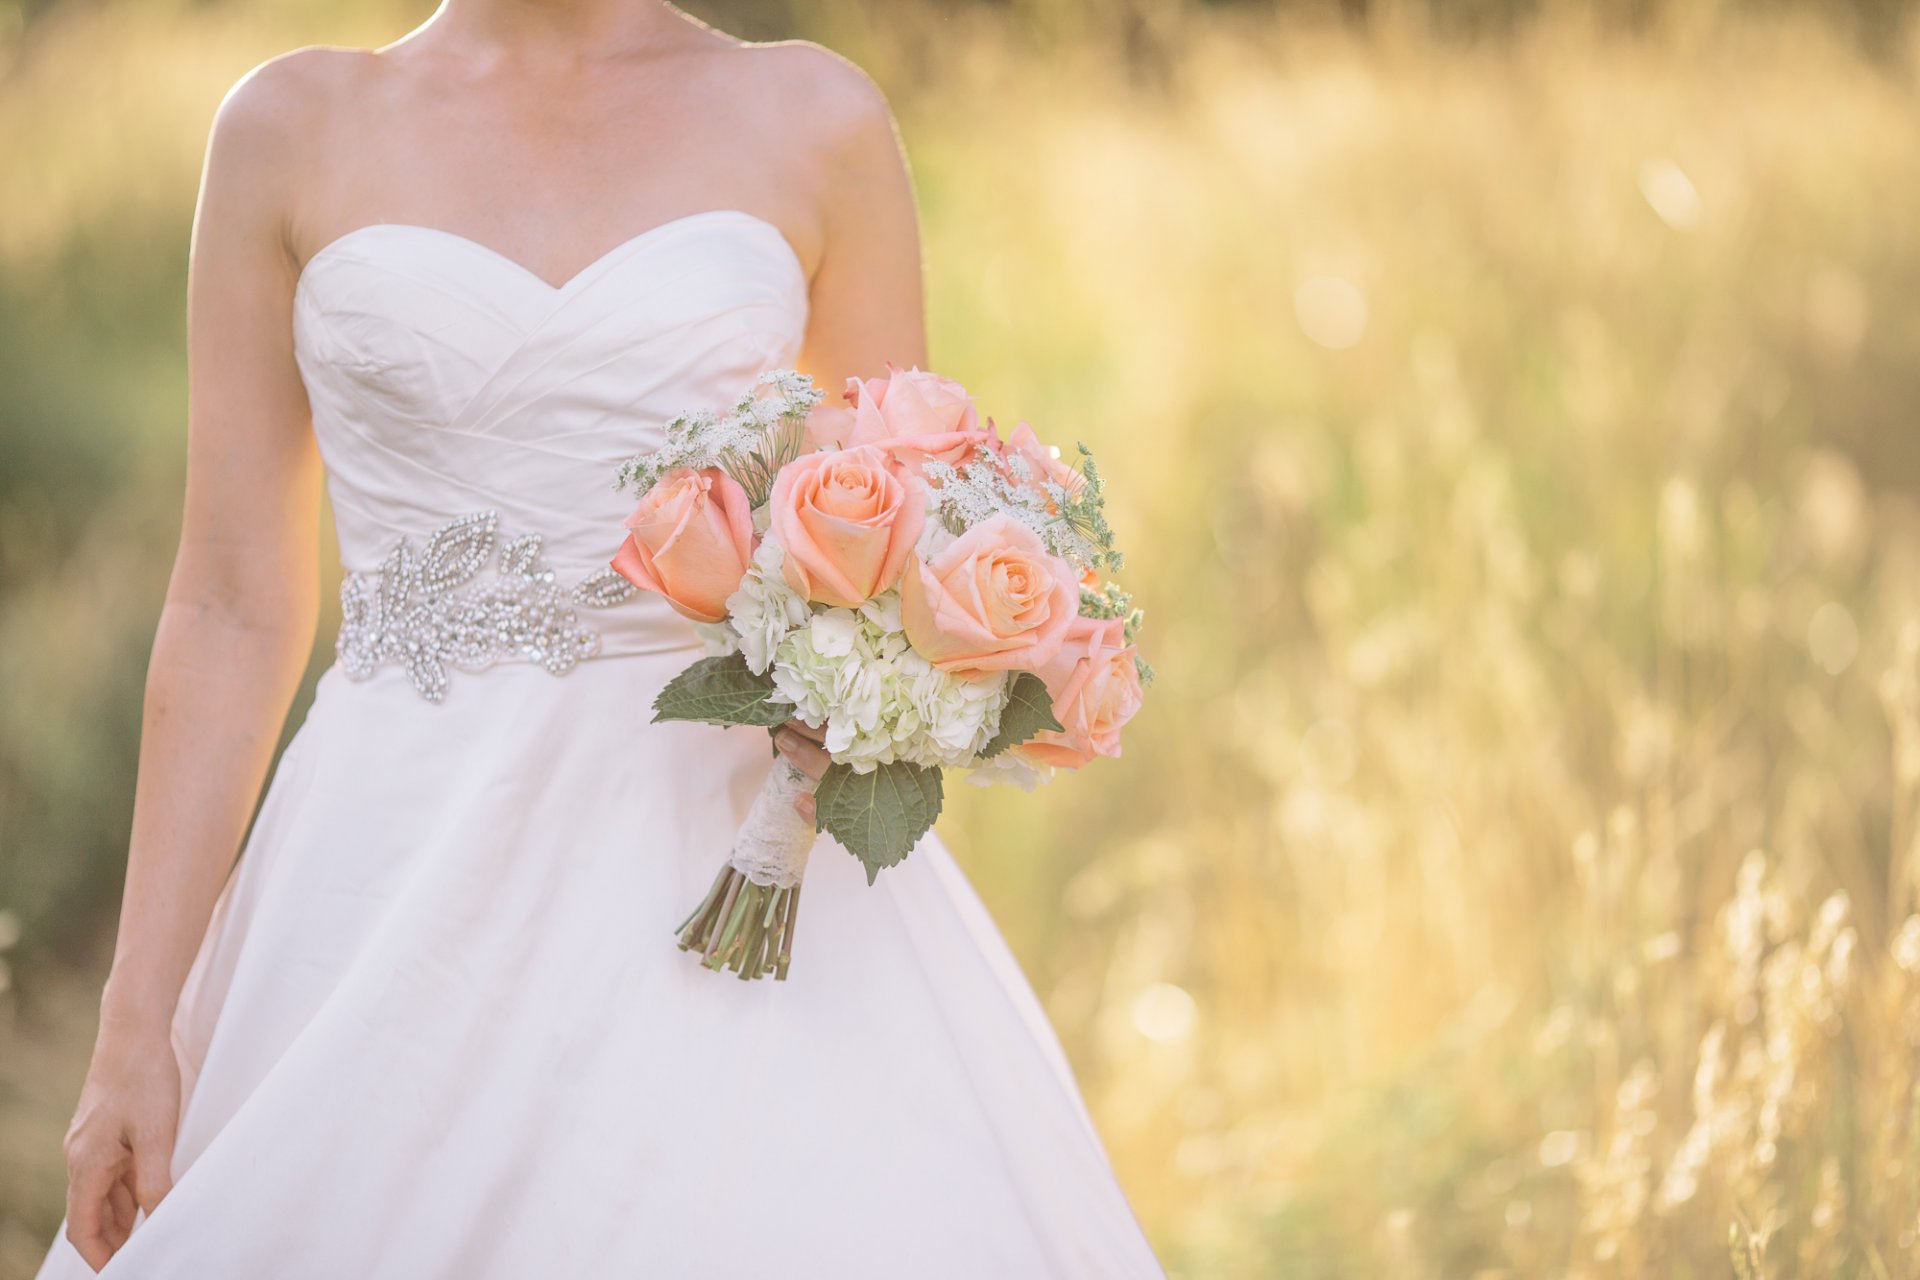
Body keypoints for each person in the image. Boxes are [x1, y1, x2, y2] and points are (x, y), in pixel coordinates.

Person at [39, 2, 1165, 1275]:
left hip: (728, 853)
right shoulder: (289, 127)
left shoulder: (812, 115)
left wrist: (882, 683)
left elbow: (899, 509)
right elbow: (233, 595)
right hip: (387, 852)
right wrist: (135, 1020)